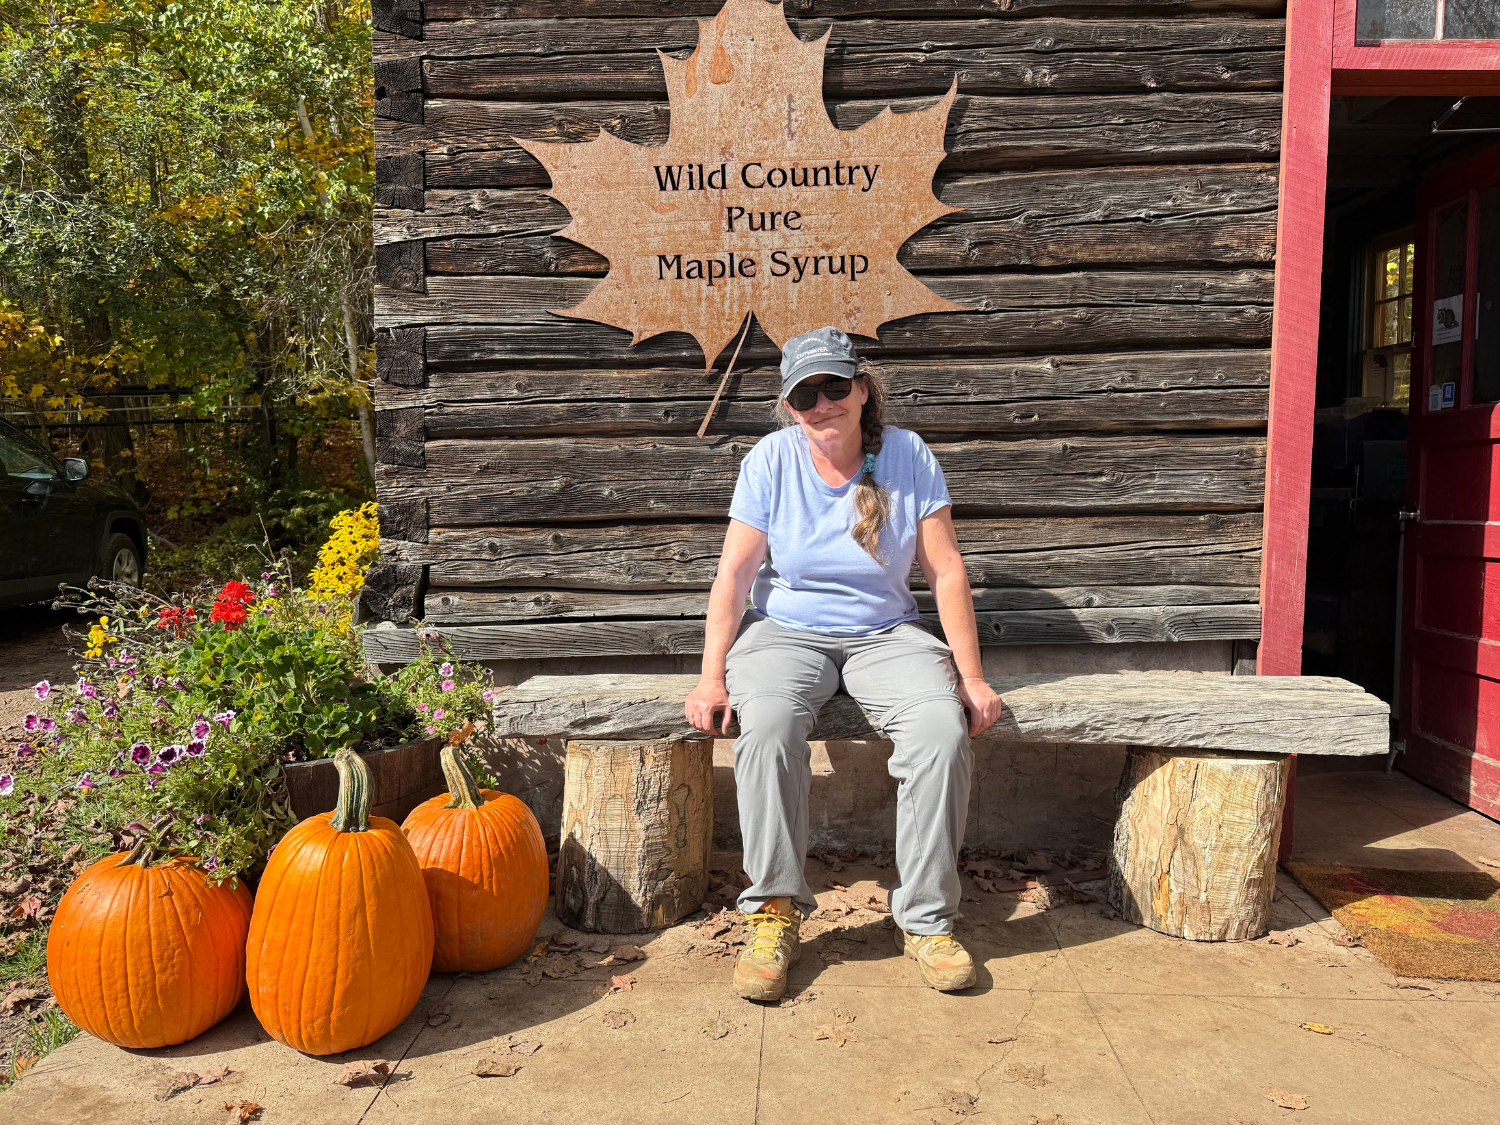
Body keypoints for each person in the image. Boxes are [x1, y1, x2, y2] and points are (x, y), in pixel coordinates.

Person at [685, 325, 1005, 1002]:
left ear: (862, 389)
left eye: (835, 386)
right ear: (790, 407)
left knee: (941, 732)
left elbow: (945, 570)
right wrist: (712, 674)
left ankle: (924, 920)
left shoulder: (908, 455)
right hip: (785, 631)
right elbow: (735, 575)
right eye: (806, 394)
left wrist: (971, 677)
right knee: (766, 725)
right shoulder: (770, 461)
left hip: (885, 633)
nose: (823, 402)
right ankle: (774, 912)